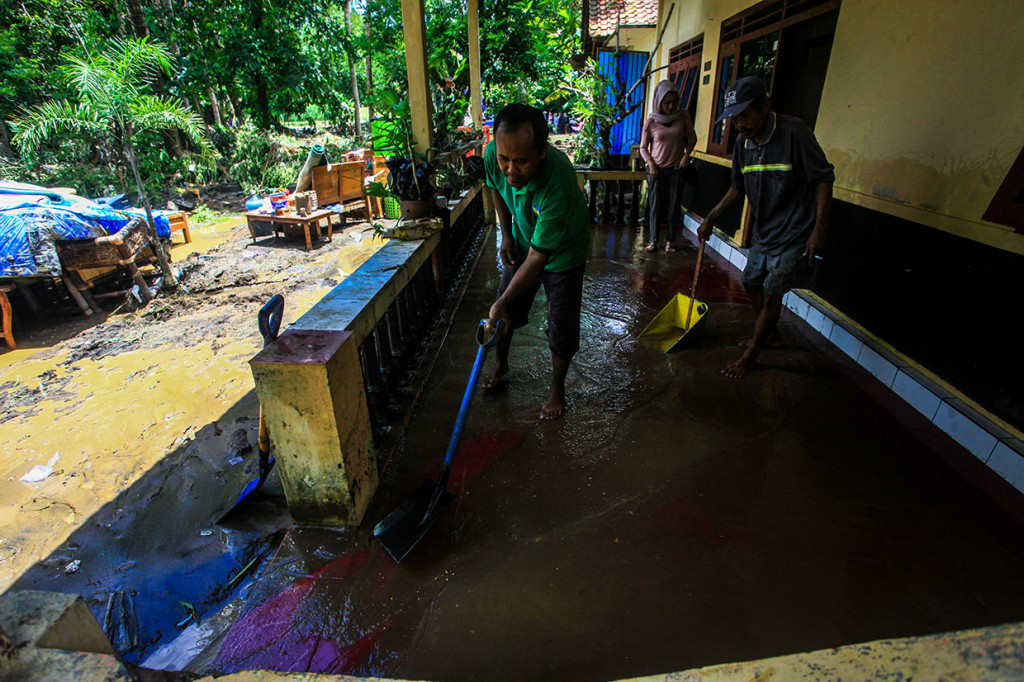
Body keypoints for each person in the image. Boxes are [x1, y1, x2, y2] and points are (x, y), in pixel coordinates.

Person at [697, 76, 834, 379]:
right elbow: (737, 188)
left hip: (795, 232)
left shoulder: (794, 133)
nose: (739, 125)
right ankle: (768, 332)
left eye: (744, 115)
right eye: (733, 118)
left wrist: (818, 231)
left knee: (773, 293)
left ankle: (752, 354)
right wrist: (711, 217)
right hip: (765, 231)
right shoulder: (742, 143)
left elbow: (824, 179)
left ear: (765, 106)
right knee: (751, 281)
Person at [483, 103, 591, 419]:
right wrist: (506, 234)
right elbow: (496, 189)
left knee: (562, 323)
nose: (511, 169)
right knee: (506, 310)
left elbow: (539, 256)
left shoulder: (559, 180)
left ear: (542, 151)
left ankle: (557, 388)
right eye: (505, 159)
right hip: (525, 237)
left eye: (521, 161)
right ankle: (501, 363)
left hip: (564, 251)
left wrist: (502, 301)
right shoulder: (494, 154)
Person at [639, 79, 697, 254]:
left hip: (677, 169)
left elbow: (692, 139)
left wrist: (686, 156)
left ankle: (670, 242)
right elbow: (643, 147)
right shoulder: (651, 121)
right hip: (657, 170)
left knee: (673, 206)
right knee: (655, 206)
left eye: (673, 102)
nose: (671, 107)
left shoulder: (683, 116)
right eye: (666, 103)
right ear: (659, 102)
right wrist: (650, 164)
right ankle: (654, 241)